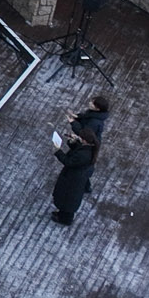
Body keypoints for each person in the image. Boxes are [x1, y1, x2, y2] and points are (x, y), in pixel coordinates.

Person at [53, 96, 108, 224]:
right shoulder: (89, 149)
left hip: (74, 178)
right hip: (78, 176)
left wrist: (58, 150)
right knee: (70, 196)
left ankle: (65, 218)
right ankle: (65, 214)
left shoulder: (84, 154)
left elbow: (69, 161)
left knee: (68, 198)